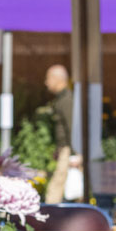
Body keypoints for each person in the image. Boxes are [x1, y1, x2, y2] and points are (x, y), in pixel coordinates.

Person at [42, 64, 74, 203]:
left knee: (56, 186)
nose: (46, 82)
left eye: (48, 78)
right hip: (64, 149)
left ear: (57, 79)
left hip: (68, 149)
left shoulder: (67, 99)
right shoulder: (61, 99)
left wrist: (74, 153)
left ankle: (49, 217)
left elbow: (72, 126)